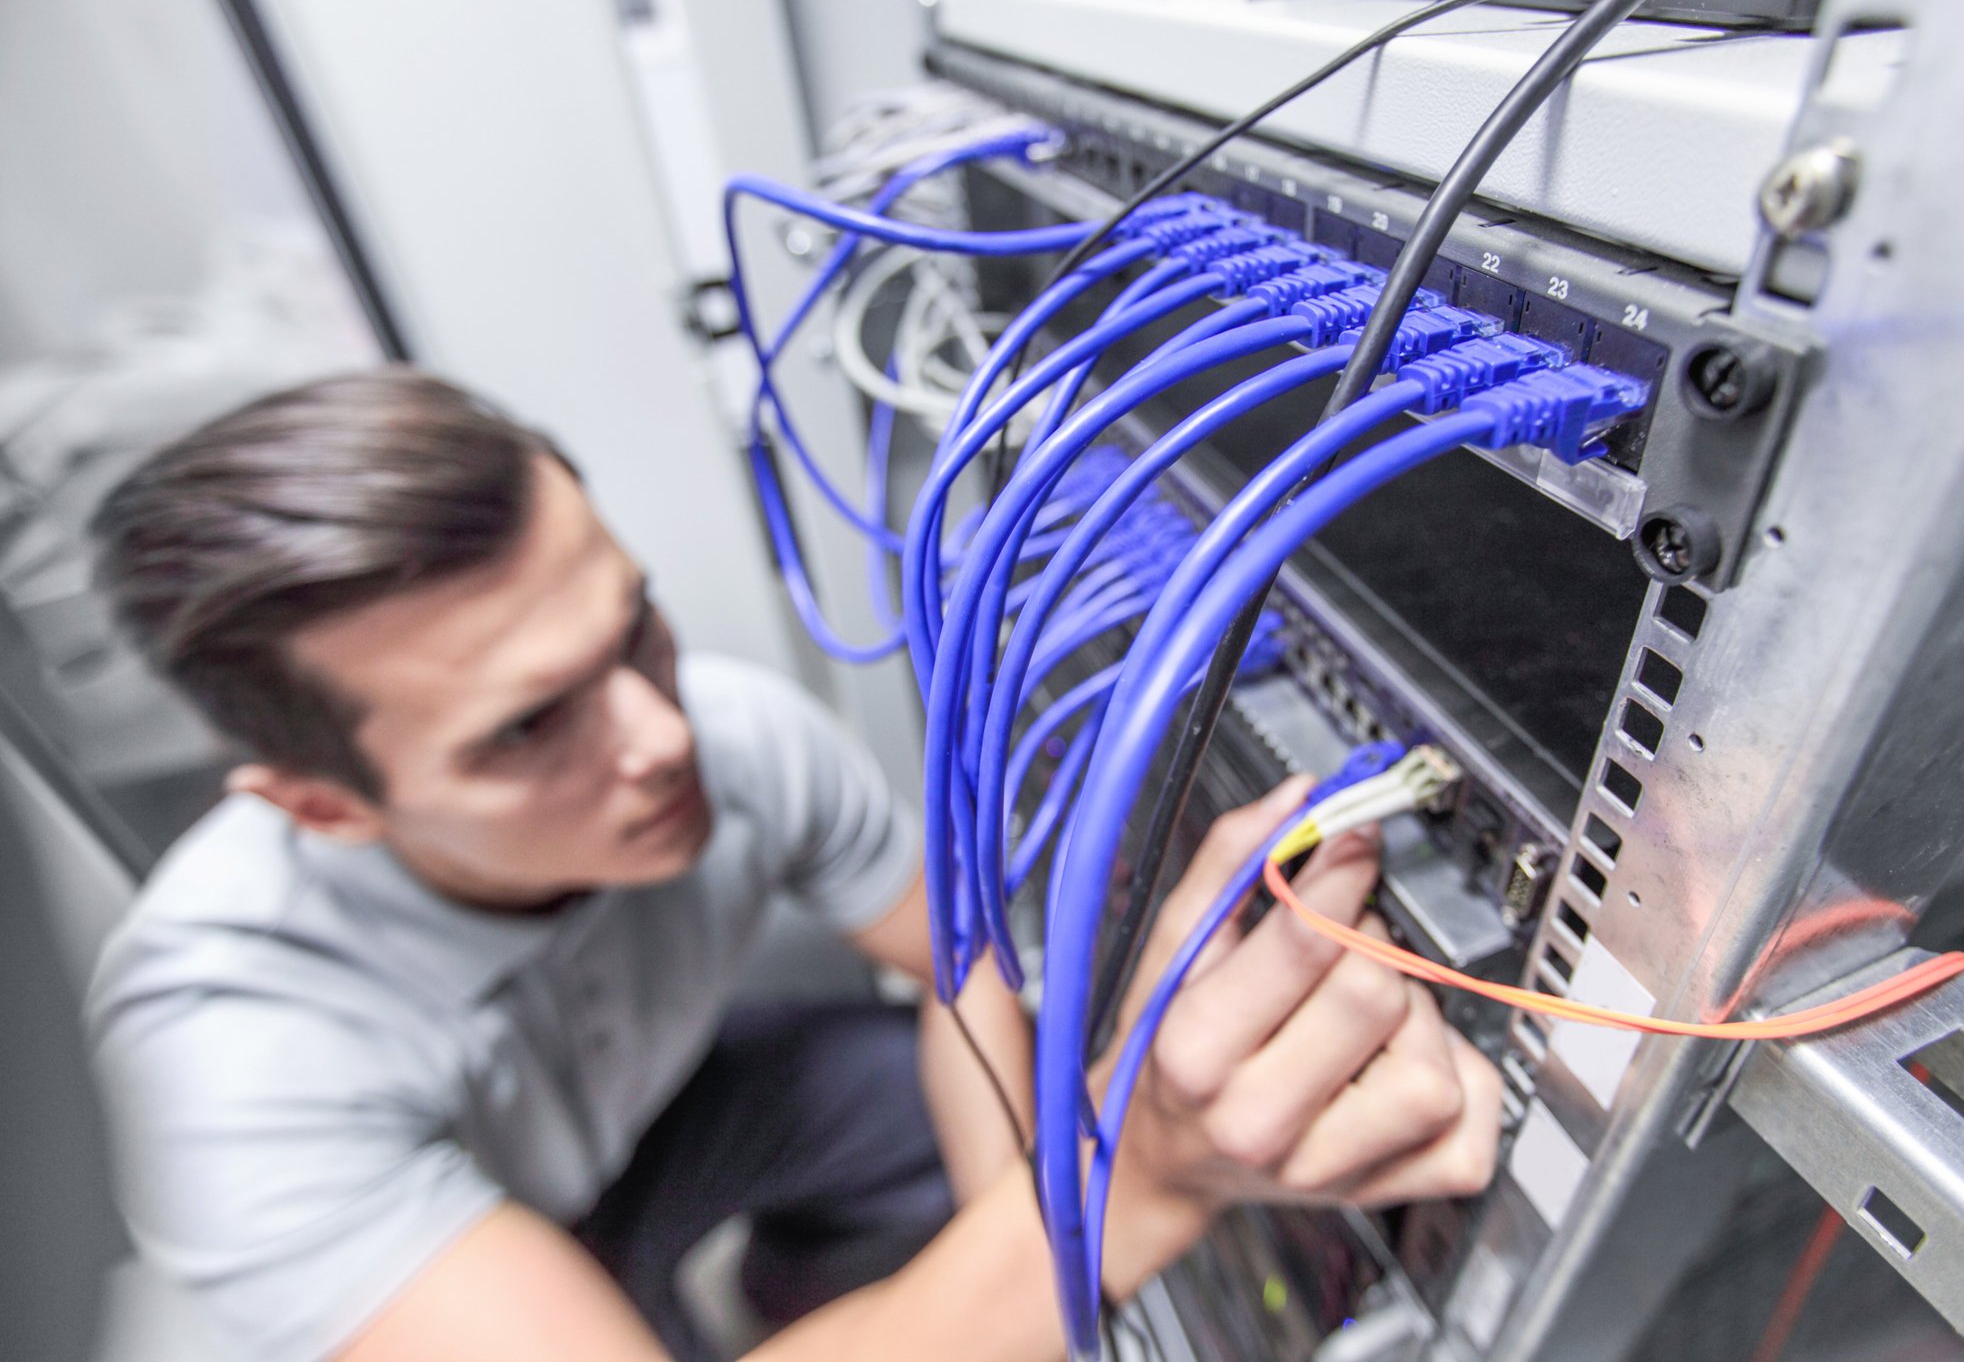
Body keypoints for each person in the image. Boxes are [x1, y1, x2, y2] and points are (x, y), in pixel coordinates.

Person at [84, 369, 1501, 1362]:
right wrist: (1135, 1183)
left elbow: (956, 977)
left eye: (631, 629)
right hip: (446, 1226)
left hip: (672, 1111)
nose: (658, 734)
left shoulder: (727, 734)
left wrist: (1039, 1219)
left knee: (908, 1091)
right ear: (326, 808)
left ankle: (821, 1292)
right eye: (527, 727)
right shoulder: (222, 1056)